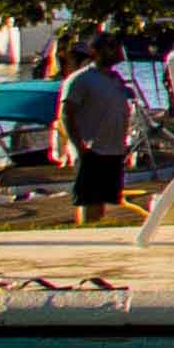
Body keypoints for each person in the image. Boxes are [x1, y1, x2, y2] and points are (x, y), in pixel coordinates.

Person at [52, 38, 136, 226]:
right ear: (96, 51)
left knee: (104, 198)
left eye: (117, 46)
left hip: (113, 149)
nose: (117, 51)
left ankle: (97, 231)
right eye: (111, 47)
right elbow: (66, 114)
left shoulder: (115, 80)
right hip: (92, 149)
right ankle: (85, 234)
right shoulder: (81, 79)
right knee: (89, 198)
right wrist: (79, 147)